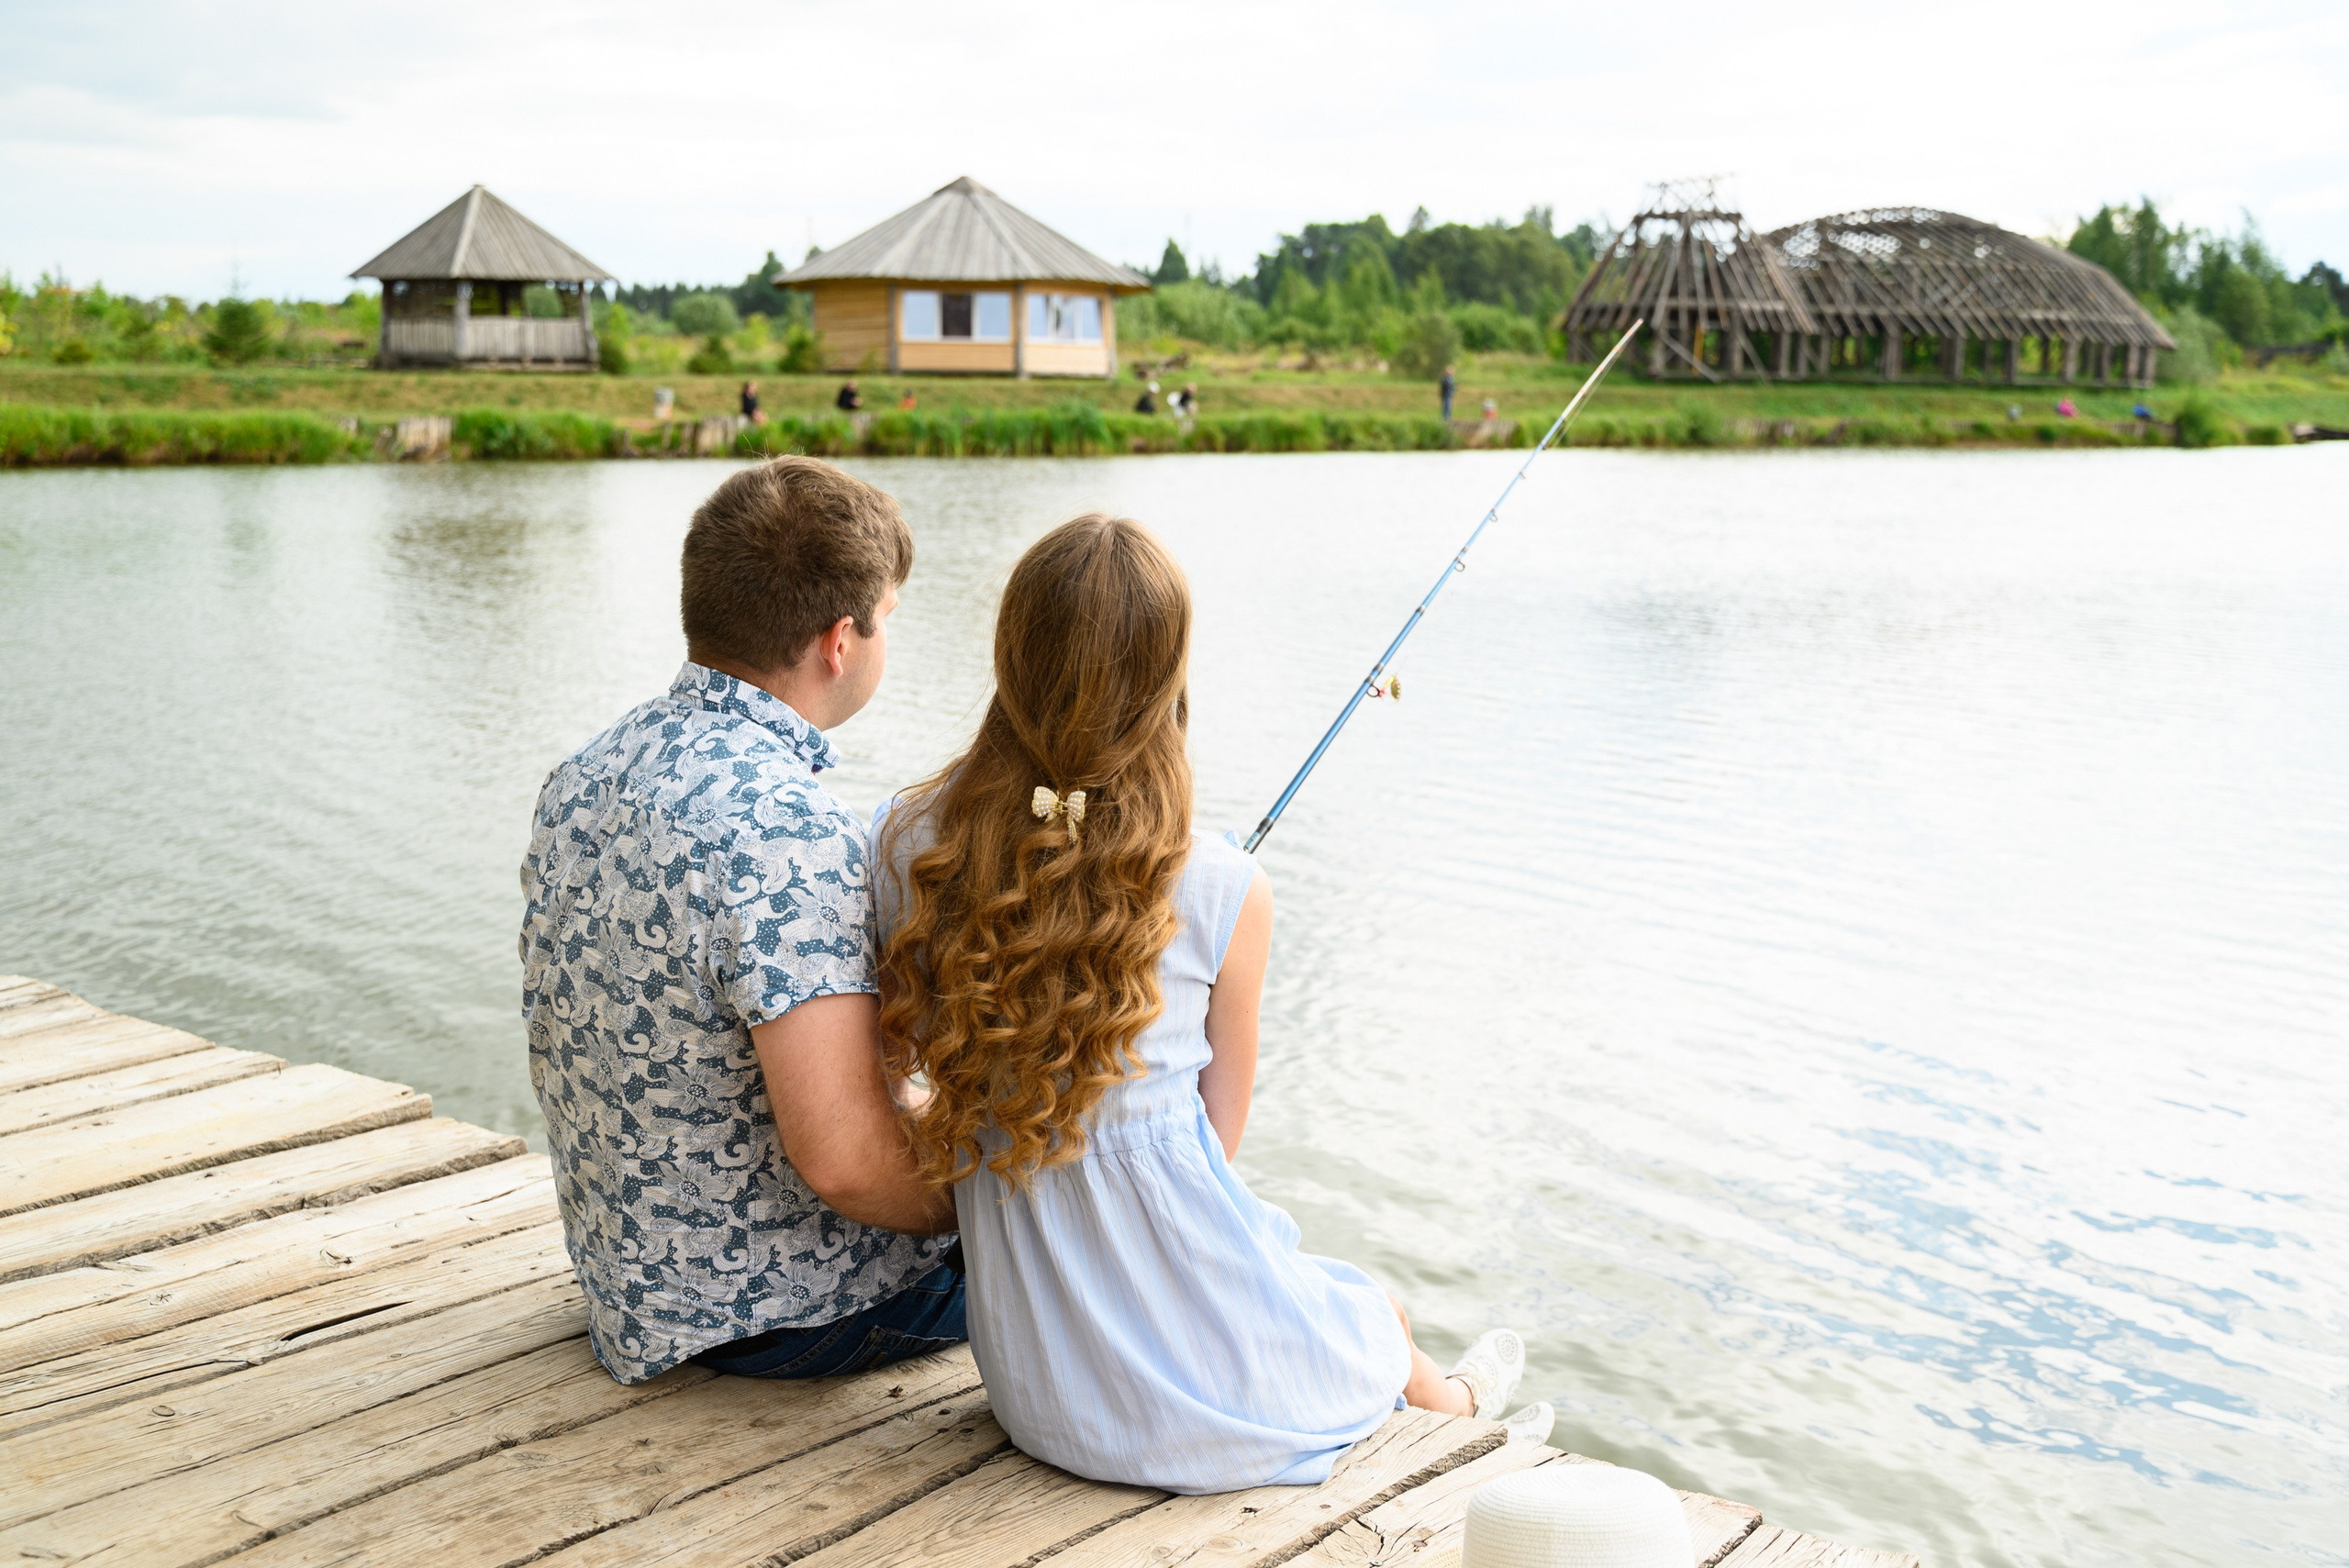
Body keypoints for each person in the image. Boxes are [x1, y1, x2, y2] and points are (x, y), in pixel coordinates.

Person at [872, 515, 1548, 1496]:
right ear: (1165, 679)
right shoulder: (1224, 884)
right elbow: (1214, 1145)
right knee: (1376, 1313)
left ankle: (1461, 1409)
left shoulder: (907, 844)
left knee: (1348, 1307)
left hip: (1039, 1394)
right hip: (1180, 1401)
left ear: (1010, 655)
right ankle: (1471, 1421)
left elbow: (897, 1078)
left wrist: (998, 1125)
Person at [521, 457, 962, 1389]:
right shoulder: (783, 826)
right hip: (779, 1313)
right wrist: (1008, 1202)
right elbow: (844, 1162)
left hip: (633, 1282)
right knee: (1088, 1252)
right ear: (840, 640)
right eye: (891, 617)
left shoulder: (582, 774)